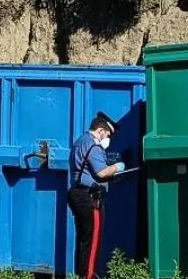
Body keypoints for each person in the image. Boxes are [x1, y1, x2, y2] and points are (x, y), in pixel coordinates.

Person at [68, 112, 126, 279]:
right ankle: (89, 276)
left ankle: (82, 274)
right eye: (107, 134)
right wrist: (118, 167)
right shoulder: (94, 145)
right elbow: (101, 173)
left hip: (77, 194)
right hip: (90, 198)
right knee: (93, 242)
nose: (107, 138)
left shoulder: (80, 141)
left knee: (84, 241)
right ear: (100, 130)